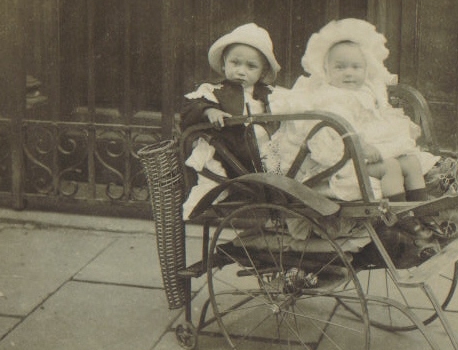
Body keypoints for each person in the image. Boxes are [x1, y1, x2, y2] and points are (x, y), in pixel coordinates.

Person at [265, 18, 440, 257]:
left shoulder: (366, 93)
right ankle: (402, 219)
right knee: (390, 167)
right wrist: (361, 146)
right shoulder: (327, 97)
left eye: (356, 67)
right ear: (326, 70)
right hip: (343, 162)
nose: (349, 73)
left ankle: (424, 213)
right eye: (340, 67)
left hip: (367, 153)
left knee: (410, 161)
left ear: (366, 69)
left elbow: (378, 123)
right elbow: (327, 137)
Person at [180, 23, 281, 218]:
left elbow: (286, 106)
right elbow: (191, 107)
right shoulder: (214, 91)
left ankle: (277, 190)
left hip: (263, 151)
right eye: (235, 63)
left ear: (262, 71)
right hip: (231, 154)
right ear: (225, 63)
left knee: (283, 152)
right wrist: (210, 110)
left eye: (251, 66)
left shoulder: (268, 94)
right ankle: (220, 190)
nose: (241, 71)